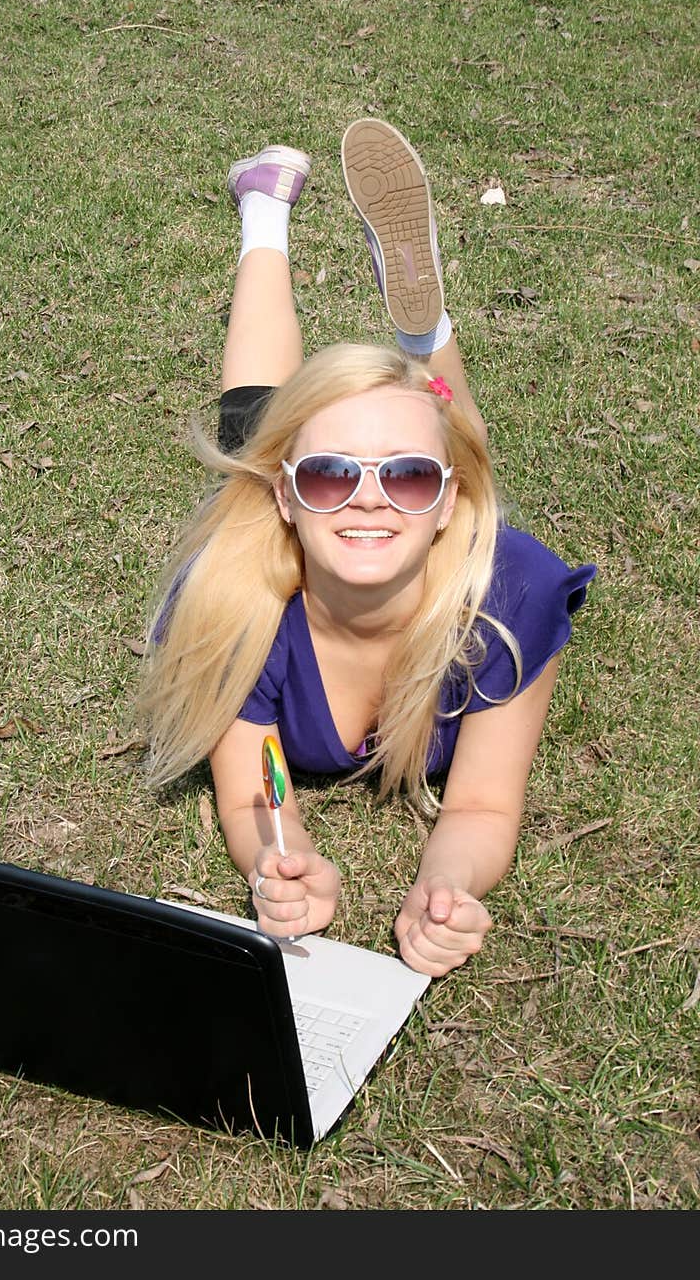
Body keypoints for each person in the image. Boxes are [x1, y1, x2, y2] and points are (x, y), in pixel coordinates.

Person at [135, 118, 596, 978]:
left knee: (468, 482)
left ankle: (425, 338)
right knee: (257, 418)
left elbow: (487, 805)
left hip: (466, 549)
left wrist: (447, 884)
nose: (369, 500)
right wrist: (280, 859)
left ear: (440, 499)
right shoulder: (233, 603)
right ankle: (264, 212)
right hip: (278, 536)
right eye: (328, 477)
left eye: (411, 479)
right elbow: (250, 791)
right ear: (287, 495)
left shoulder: (511, 600)